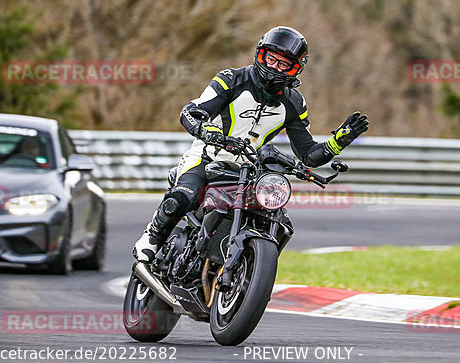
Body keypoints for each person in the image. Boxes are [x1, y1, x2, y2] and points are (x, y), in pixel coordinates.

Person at [133, 26, 369, 262]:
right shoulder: (231, 79)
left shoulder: (294, 103)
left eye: (283, 64)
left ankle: (246, 268)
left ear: (295, 69)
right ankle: (152, 238)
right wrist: (207, 131)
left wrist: (339, 141)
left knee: (279, 221)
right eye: (271, 59)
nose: (274, 67)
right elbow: (190, 112)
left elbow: (308, 155)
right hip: (207, 158)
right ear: (260, 54)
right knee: (183, 198)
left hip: (249, 172)